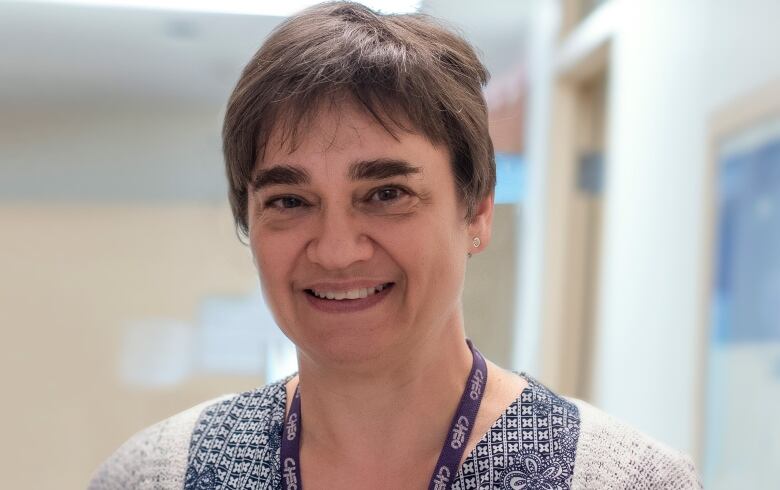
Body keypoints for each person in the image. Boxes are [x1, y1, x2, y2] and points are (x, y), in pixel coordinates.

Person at [90, 2, 701, 489]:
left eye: (386, 194)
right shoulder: (155, 475)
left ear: (476, 211)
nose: (335, 250)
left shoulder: (620, 479)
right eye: (290, 201)